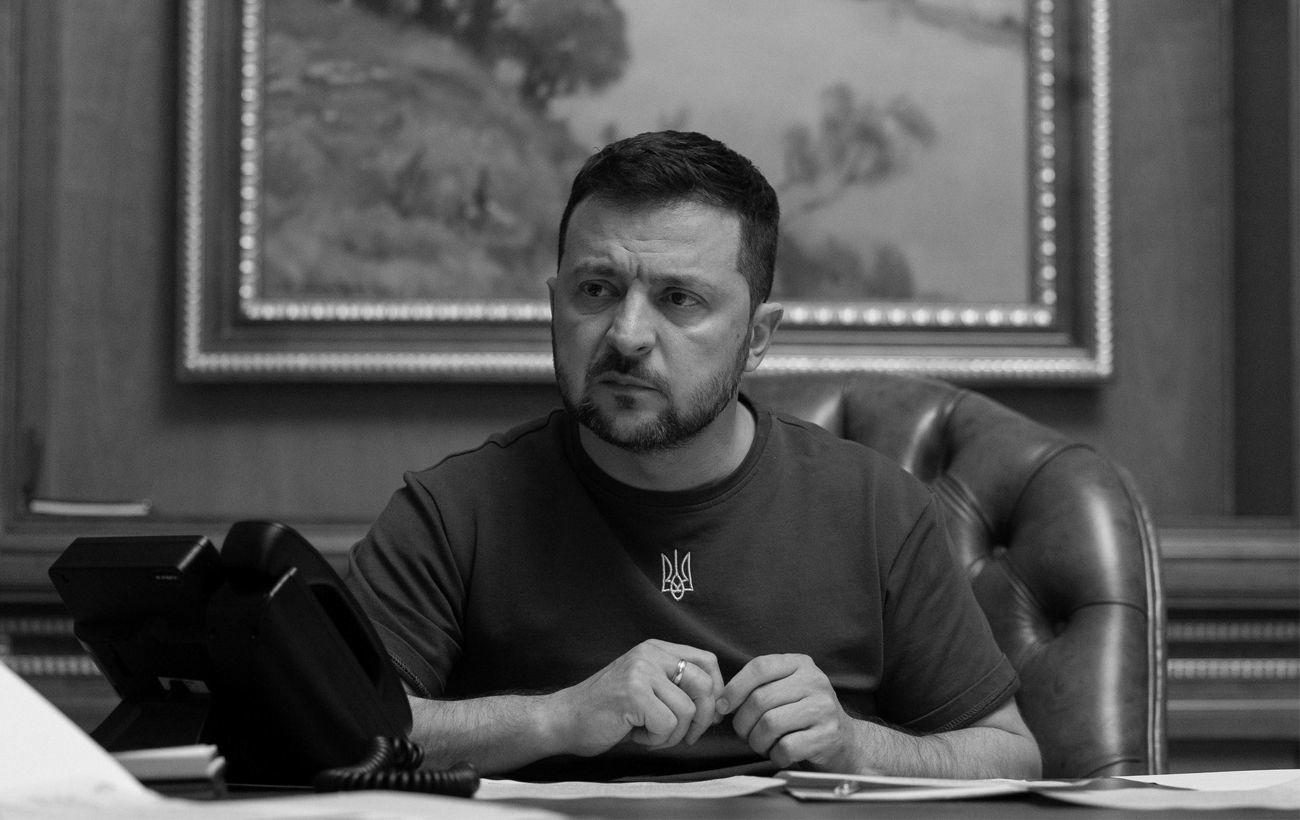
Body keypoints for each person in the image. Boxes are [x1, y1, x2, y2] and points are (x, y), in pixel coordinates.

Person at [344, 130, 1041, 782]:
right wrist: (554, 719)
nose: (627, 335)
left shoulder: (875, 508)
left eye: (679, 299)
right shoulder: (453, 510)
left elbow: (1011, 755)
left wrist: (857, 746)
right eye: (596, 290)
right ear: (555, 304)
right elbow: (342, 729)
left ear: (757, 337)